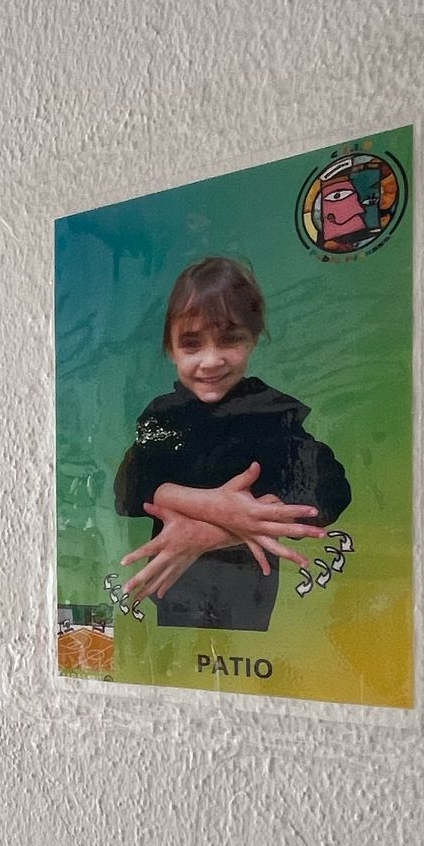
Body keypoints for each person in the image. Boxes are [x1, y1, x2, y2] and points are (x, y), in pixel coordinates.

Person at [115, 257, 351, 631]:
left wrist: (204, 535)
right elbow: (127, 490)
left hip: (247, 589)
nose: (211, 360)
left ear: (253, 339)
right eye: (191, 344)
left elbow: (329, 490)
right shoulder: (163, 415)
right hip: (174, 584)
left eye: (230, 339)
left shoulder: (271, 413)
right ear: (170, 349)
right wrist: (213, 506)